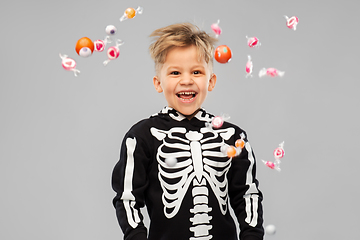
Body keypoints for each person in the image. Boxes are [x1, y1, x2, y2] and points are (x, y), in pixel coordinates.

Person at [112, 22, 264, 240]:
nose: (186, 80)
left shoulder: (232, 137)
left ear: (210, 81)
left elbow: (247, 194)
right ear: (158, 83)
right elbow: (128, 198)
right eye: (174, 72)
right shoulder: (142, 136)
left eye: (196, 72)